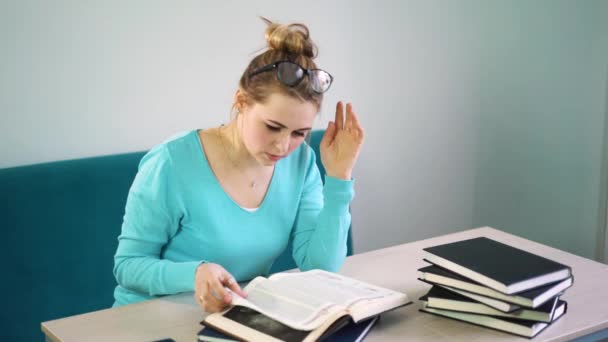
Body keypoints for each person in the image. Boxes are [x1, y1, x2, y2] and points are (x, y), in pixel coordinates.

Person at [112, 18, 364, 313]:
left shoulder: (301, 162)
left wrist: (338, 177)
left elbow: (320, 267)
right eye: (272, 127)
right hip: (149, 320)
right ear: (241, 101)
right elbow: (128, 266)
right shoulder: (171, 163)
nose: (283, 147)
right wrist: (195, 273)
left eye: (300, 133)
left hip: (236, 320)